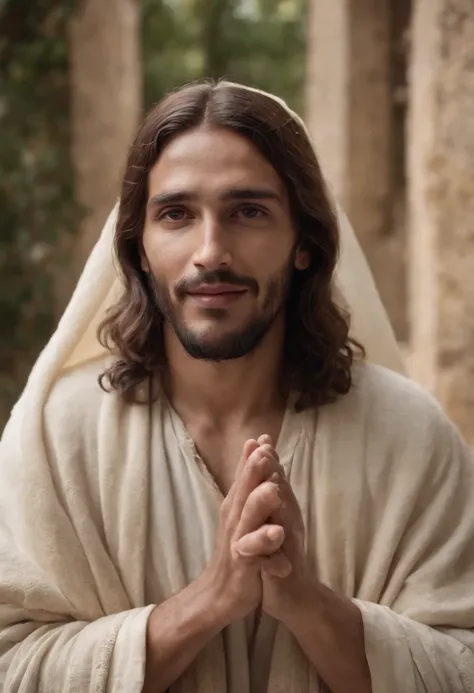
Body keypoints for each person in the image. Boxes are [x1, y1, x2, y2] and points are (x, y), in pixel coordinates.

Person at [0, 81, 473, 693]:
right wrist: (209, 600)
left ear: (303, 241)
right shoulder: (56, 436)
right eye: (176, 214)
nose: (210, 252)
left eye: (248, 211)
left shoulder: (410, 434)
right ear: (139, 248)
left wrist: (306, 604)